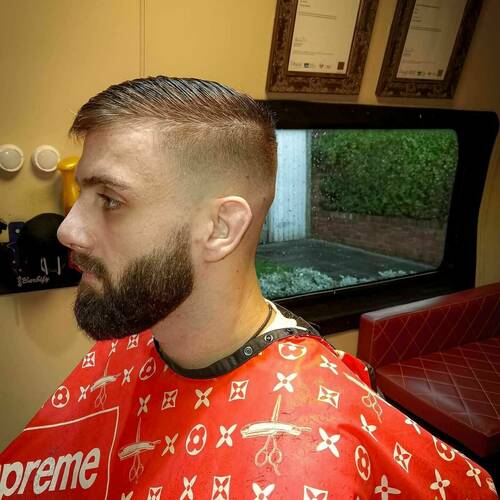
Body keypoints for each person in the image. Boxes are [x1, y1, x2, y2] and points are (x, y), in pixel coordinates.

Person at [0, 77, 496, 499]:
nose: (68, 230)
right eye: (83, 192)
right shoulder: (140, 322)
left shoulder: (305, 462)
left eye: (109, 199)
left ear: (220, 228)